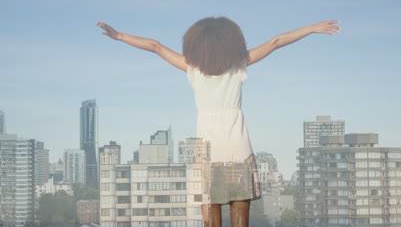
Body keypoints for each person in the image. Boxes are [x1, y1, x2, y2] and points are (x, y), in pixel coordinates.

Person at [97, 17, 340, 227]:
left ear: (195, 44)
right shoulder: (238, 65)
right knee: (240, 220)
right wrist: (310, 28)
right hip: (238, 147)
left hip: (207, 153)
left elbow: (155, 46)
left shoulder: (192, 68)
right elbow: (276, 42)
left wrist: (119, 35)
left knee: (210, 220)